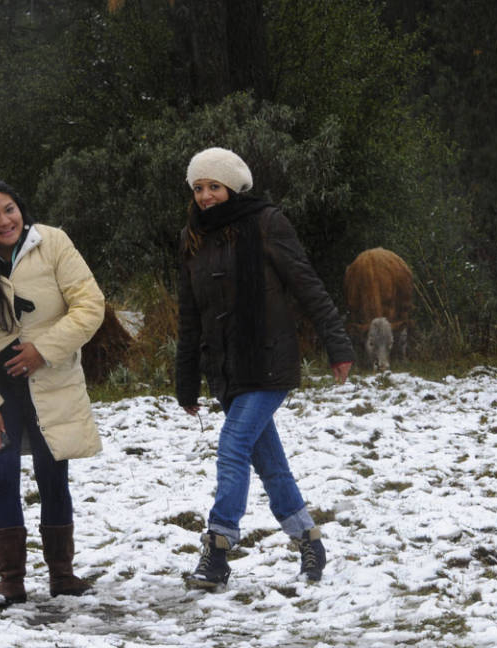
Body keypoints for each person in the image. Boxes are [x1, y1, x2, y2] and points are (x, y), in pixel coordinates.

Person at [175, 147, 354, 589]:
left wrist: (337, 343)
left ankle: (217, 549)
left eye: (213, 186)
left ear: (233, 187)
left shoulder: (267, 222)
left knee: (232, 446)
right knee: (268, 460)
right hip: (225, 369)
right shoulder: (192, 237)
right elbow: (190, 314)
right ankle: (308, 538)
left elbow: (306, 283)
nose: (205, 196)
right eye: (198, 188)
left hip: (268, 359)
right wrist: (186, 378)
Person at [0, 178, 105, 608]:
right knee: (2, 473)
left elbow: (90, 305)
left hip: (51, 376)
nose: (4, 221)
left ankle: (63, 576)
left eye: (9, 209)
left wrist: (43, 350)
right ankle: (10, 580)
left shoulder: (53, 243)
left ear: (21, 207)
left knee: (54, 473)